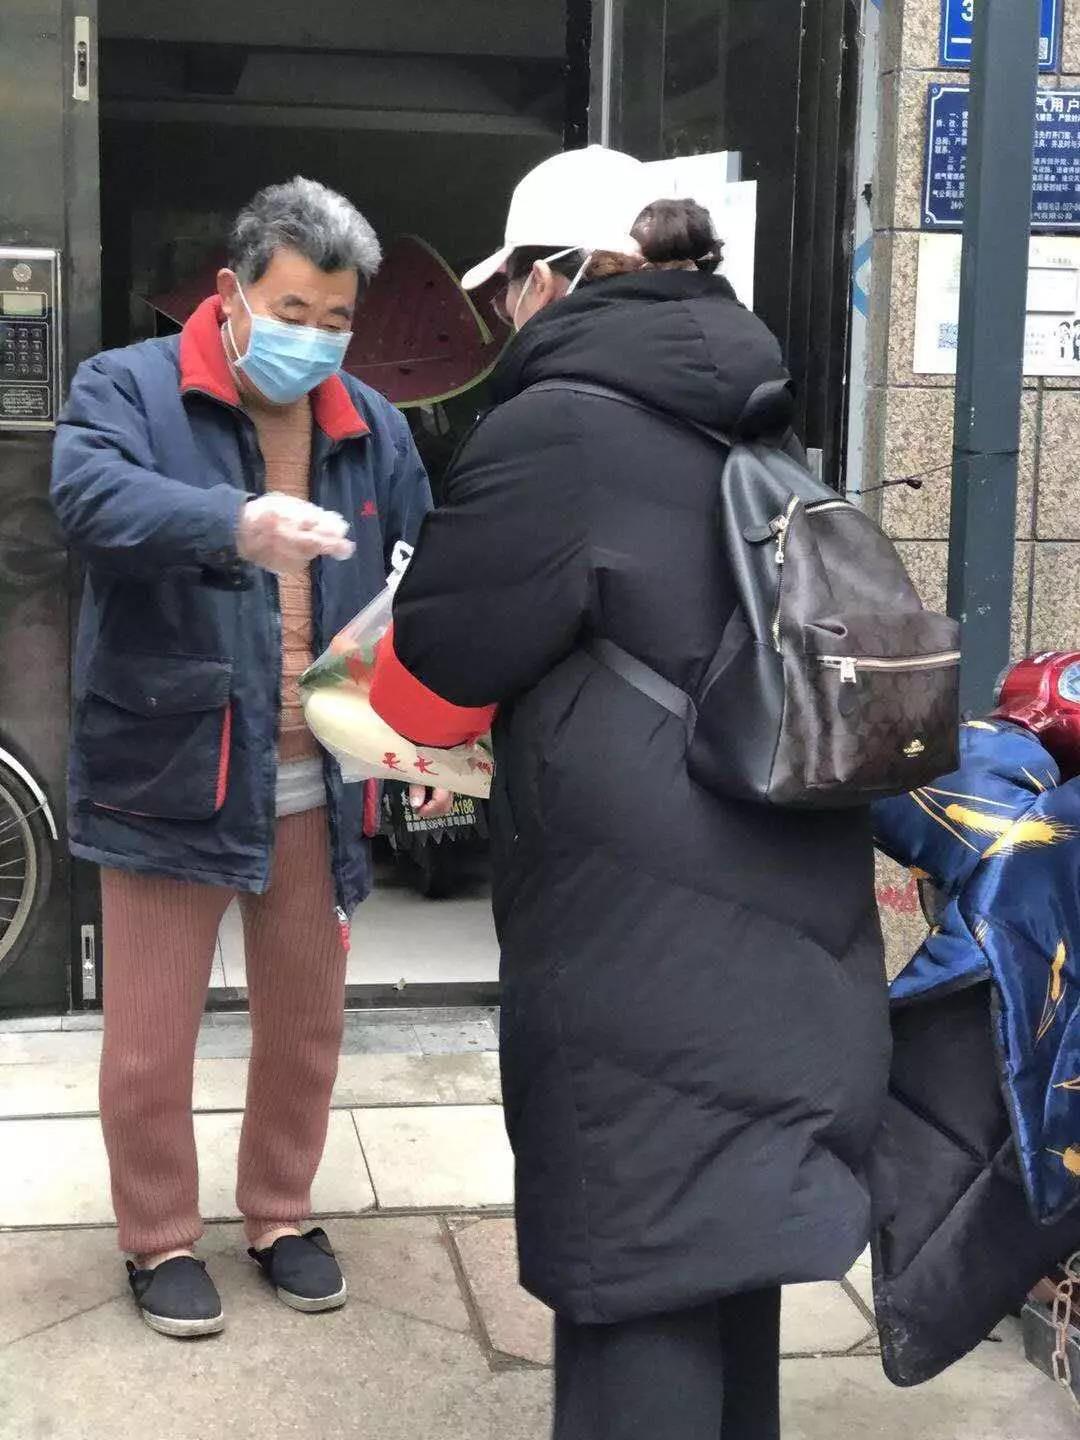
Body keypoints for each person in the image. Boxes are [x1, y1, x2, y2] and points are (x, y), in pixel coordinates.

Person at [369, 145, 890, 1439]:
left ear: (556, 277)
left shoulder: (557, 430)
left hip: (638, 949)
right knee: (727, 1278)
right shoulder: (757, 415)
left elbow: (431, 678)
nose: (501, 316)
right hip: (787, 919)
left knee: (640, 1283)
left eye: (505, 287)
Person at [51, 176, 448, 1339]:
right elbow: (86, 499)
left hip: (319, 774)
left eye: (337, 318)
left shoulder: (369, 423)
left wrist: (432, 724)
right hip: (171, 766)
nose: (315, 338)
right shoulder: (128, 387)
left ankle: (279, 1213)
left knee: (307, 1025)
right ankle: (159, 1236)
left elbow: (422, 567)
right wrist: (232, 524)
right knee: (149, 1041)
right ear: (230, 293)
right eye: (293, 310)